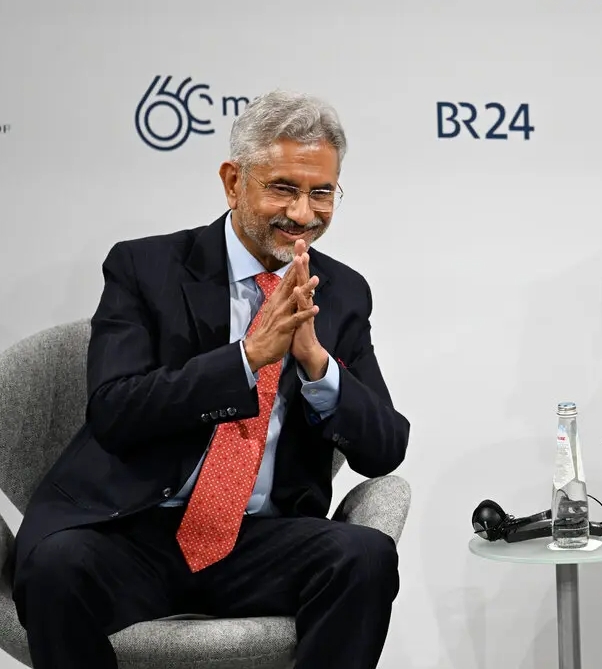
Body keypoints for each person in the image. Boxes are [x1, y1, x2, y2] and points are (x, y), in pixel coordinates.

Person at [12, 90, 410, 669]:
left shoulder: (342, 292)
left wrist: (318, 367)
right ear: (233, 181)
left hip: (260, 541)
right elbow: (115, 412)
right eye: (283, 188)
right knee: (56, 569)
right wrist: (246, 359)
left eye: (321, 192)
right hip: (131, 530)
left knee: (365, 557)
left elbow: (384, 448)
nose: (304, 214)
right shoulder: (145, 268)